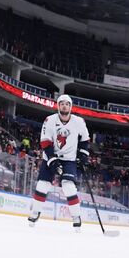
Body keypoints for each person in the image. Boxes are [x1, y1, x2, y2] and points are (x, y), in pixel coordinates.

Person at [27, 95, 92, 228]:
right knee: (42, 184)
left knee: (68, 186)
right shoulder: (49, 120)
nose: (64, 106)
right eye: (61, 103)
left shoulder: (78, 121)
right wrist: (52, 159)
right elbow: (45, 141)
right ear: (58, 106)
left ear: (71, 107)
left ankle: (76, 216)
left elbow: (85, 139)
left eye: (67, 104)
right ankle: (35, 212)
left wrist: (82, 157)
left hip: (69, 159)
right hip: (51, 156)